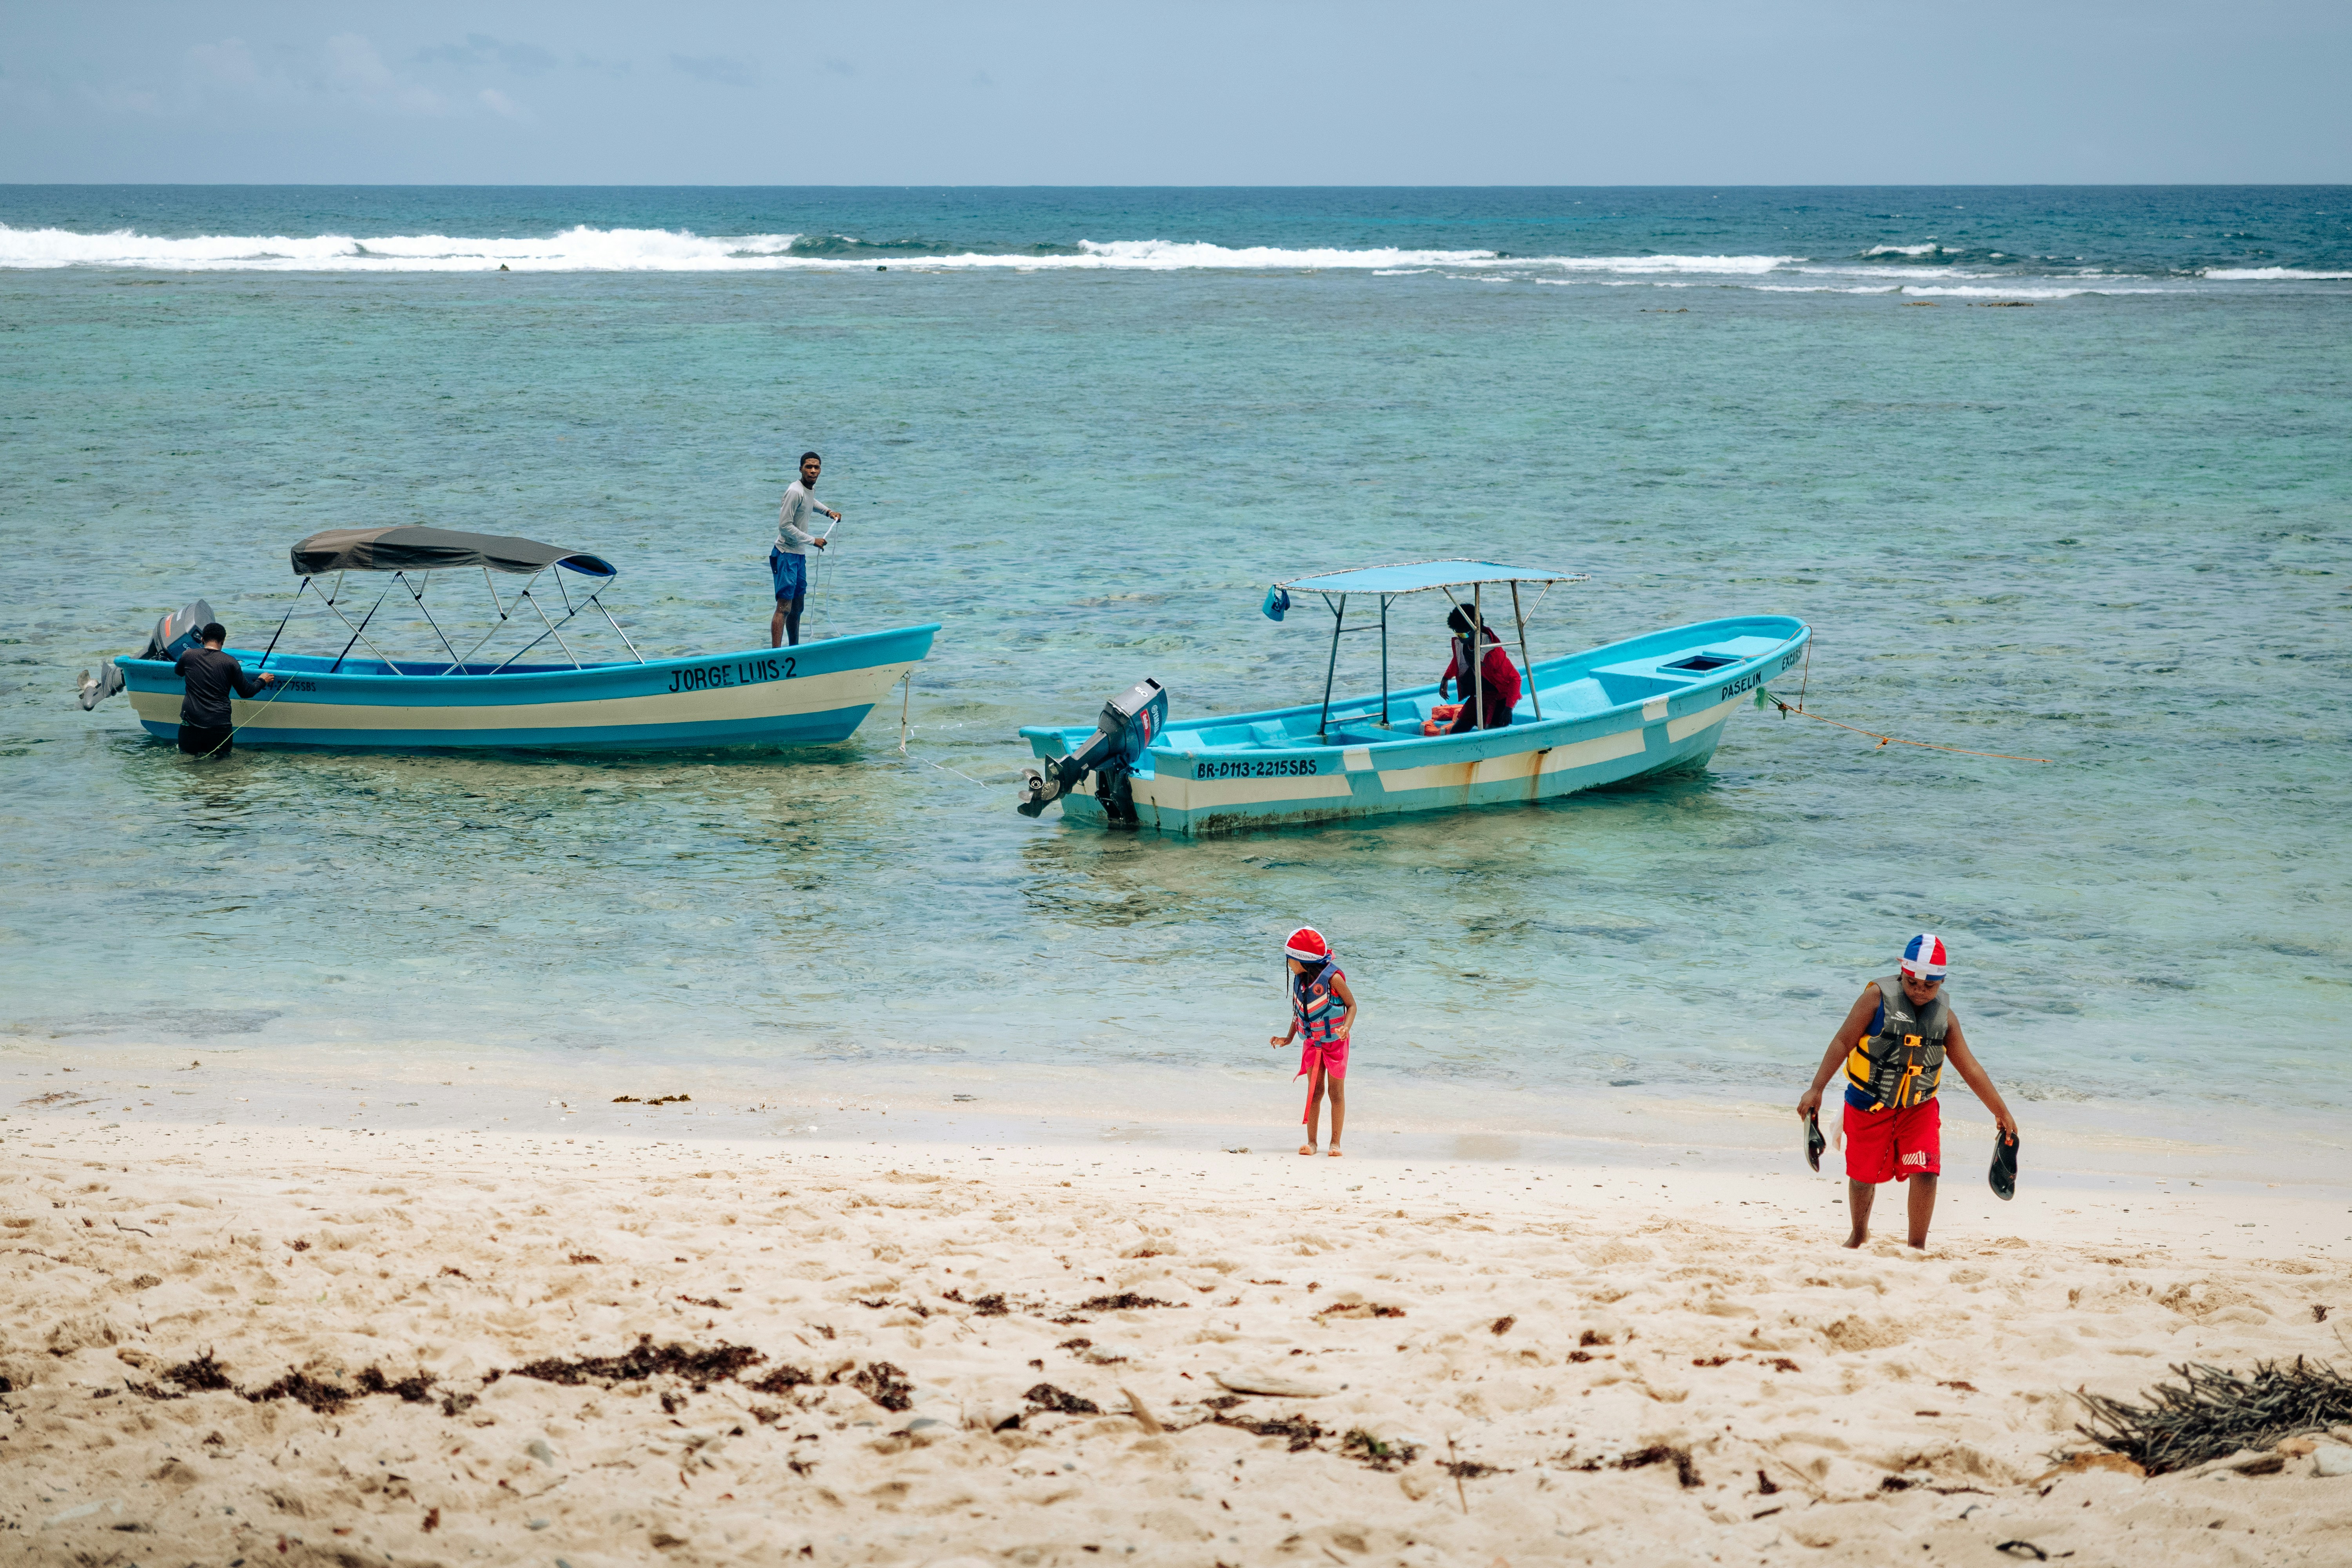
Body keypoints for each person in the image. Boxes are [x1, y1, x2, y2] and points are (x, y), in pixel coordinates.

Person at [1796, 933, 2018, 1250]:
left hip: (1920, 1107)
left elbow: (1970, 1067)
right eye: (1913, 983)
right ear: (1903, 973)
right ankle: (1859, 1233)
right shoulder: (1875, 999)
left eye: (1930, 986)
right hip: (1867, 1103)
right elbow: (1843, 1042)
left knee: (1926, 1171)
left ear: (1942, 982)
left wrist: (2001, 1111)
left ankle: (1917, 1246)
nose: (1920, 991)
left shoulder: (1945, 1018)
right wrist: (1816, 1089)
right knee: (1863, 1178)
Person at [1269, 926, 1356, 1157]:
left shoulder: (1334, 978)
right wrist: (1288, 1038)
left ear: (1302, 960)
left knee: (1335, 1093)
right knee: (1315, 1092)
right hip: (1312, 1043)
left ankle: (1335, 1144)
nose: (1289, 965)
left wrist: (1346, 1027)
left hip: (1336, 1044)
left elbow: (1352, 1006)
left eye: (1290, 960)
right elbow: (1300, 1012)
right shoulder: (1302, 980)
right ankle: (1312, 1143)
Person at [770, 450, 840, 648]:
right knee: (784, 607)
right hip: (785, 554)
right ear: (801, 468)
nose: (812, 471)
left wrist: (828, 512)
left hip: (799, 556)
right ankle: (775, 654)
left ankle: (795, 649)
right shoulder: (795, 491)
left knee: (798, 607)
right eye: (808, 467)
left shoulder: (808, 489)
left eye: (816, 467)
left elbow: (810, 503)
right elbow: (785, 526)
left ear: (820, 470)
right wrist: (813, 540)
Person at [172, 622, 274, 759]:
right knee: (222, 766)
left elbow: (178, 672)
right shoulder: (230, 662)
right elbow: (246, 692)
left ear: (202, 639)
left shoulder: (188, 656)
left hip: (190, 726)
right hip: (219, 727)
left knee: (188, 762)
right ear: (223, 641)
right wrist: (262, 680)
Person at [1438, 606, 1521, 731]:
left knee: (1491, 732)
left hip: (1500, 697)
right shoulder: (1464, 644)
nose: (1460, 637)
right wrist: (1446, 678)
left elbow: (1516, 679)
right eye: (1457, 633)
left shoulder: (1493, 653)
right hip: (1480, 694)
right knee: (1457, 731)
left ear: (1475, 630)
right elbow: (1458, 661)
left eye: (1463, 634)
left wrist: (1509, 708)